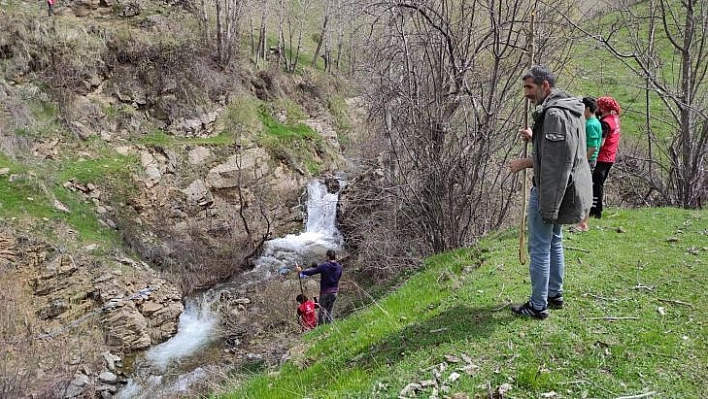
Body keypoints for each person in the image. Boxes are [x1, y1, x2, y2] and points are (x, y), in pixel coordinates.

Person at [509, 65, 593, 319]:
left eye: (530, 87)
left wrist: (525, 163)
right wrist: (535, 137)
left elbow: (557, 163)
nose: (526, 93)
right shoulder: (568, 107)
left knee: (540, 247)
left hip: (551, 191)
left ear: (545, 86)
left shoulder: (555, 114)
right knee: (555, 241)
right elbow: (561, 147)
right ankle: (554, 294)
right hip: (563, 190)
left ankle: (537, 306)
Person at [590, 96, 621, 219]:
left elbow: (601, 143)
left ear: (602, 108)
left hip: (602, 158)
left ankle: (596, 211)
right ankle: (595, 210)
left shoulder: (605, 123)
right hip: (610, 157)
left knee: (596, 185)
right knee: (599, 184)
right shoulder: (615, 119)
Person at [574, 96, 603, 232]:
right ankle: (580, 221)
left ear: (586, 108)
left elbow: (593, 147)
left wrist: (583, 162)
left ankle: (583, 223)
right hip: (587, 160)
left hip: (588, 160)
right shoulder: (595, 122)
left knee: (583, 191)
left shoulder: (591, 124)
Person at [295, 250, 342, 325]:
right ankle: (329, 326)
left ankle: (321, 328)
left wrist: (301, 271)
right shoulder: (339, 267)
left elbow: (312, 272)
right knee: (329, 311)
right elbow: (338, 277)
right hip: (334, 292)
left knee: (322, 311)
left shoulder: (324, 266)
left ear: (328, 256)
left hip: (325, 292)